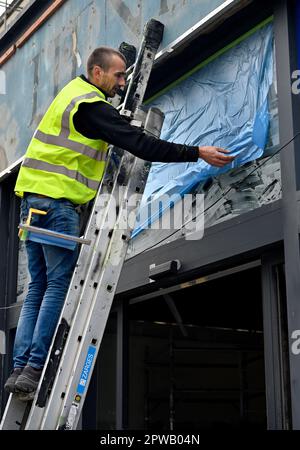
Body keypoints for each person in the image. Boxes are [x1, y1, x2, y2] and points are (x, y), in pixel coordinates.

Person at [4, 47, 234, 400]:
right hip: (57, 206)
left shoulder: (71, 96)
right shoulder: (91, 107)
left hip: (32, 205)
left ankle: (20, 368)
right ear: (97, 73)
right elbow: (140, 144)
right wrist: (196, 152)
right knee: (57, 286)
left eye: (127, 75)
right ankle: (35, 367)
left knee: (38, 287)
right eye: (118, 76)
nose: (123, 82)